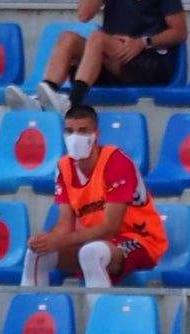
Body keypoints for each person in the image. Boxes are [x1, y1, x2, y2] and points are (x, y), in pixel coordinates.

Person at [21, 105, 169, 292]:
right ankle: (30, 314)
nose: (75, 137)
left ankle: (101, 318)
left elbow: (110, 228)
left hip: (140, 241)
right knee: (36, 254)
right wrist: (47, 240)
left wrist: (60, 241)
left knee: (91, 253)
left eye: (83, 131)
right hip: (95, 241)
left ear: (96, 134)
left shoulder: (116, 161)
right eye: (69, 131)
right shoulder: (63, 167)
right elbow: (64, 225)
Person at [4, 0, 188, 114]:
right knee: (68, 38)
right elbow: (84, 15)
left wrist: (143, 42)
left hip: (149, 63)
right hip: (112, 63)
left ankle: (72, 103)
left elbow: (180, 32)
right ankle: (43, 97)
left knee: (97, 38)